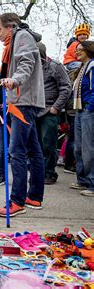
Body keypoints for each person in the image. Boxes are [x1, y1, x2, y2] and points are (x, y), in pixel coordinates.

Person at [0, 13, 45, 217]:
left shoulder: (22, 37)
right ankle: (34, 197)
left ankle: (17, 201)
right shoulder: (12, 42)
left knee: (16, 151)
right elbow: (9, 72)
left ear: (10, 26)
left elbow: (26, 64)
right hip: (22, 100)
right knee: (33, 150)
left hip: (23, 101)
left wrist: (15, 80)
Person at [36, 42, 71, 185]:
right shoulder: (30, 67)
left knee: (48, 143)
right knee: (36, 144)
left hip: (49, 110)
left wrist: (56, 107)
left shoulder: (55, 66)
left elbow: (66, 87)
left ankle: (50, 173)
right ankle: (39, 172)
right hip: (34, 111)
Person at [71, 41, 94, 197]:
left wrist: (90, 107)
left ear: (88, 50)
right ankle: (83, 180)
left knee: (88, 148)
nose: (77, 52)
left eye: (80, 50)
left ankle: (92, 183)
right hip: (79, 110)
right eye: (76, 50)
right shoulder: (81, 68)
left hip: (88, 109)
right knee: (78, 147)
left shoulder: (92, 66)